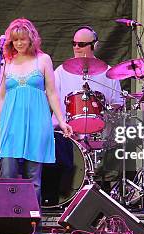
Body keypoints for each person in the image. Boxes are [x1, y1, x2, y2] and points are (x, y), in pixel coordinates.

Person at [0, 18, 73, 205]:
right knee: (8, 174)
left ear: (31, 39)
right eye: (15, 40)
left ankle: (32, 220)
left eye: (22, 39)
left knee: (34, 179)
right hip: (10, 123)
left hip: (37, 122)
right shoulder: (6, 63)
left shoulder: (43, 59)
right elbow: (2, 97)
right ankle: (8, 218)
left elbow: (52, 93)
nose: (19, 43)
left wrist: (62, 121)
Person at [44, 26, 123, 204]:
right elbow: (50, 98)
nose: (76, 47)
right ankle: (57, 202)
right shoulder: (61, 72)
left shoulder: (108, 73)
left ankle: (103, 202)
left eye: (81, 44)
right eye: (74, 43)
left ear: (94, 45)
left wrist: (109, 118)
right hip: (64, 135)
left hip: (99, 136)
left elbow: (117, 103)